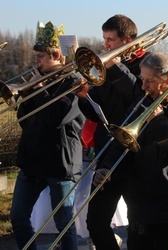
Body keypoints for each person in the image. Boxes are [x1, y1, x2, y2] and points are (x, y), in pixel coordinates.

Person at [94, 52, 168, 250]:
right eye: (142, 80)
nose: (143, 87)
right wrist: (107, 167)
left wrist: (159, 121)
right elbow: (123, 141)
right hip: (140, 202)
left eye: (150, 81)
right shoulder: (142, 102)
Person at [10, 21, 84, 250]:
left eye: (41, 56)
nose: (36, 61)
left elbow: (57, 118)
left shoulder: (74, 83)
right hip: (33, 161)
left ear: (57, 55)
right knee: (18, 217)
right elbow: (24, 119)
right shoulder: (36, 82)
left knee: (64, 224)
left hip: (60, 163)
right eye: (36, 56)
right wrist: (30, 91)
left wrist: (39, 88)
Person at [75, 14, 148, 250]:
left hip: (137, 155)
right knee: (95, 223)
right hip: (109, 154)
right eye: (104, 39)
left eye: (110, 40)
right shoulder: (105, 67)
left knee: (139, 225)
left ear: (127, 40)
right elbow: (97, 112)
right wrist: (83, 96)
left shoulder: (149, 64)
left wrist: (115, 67)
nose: (105, 45)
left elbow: (140, 98)